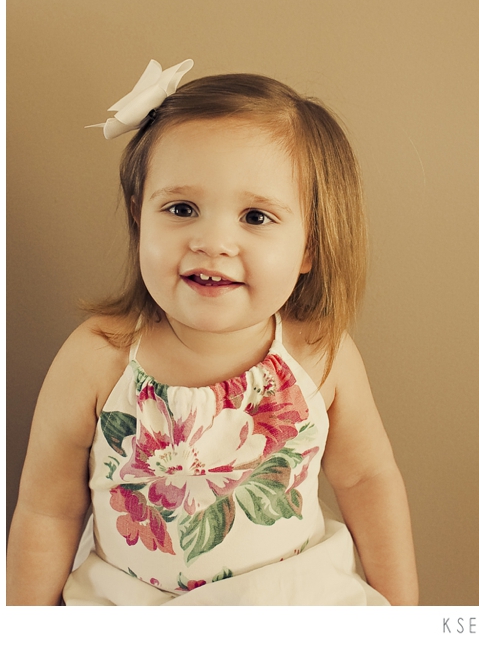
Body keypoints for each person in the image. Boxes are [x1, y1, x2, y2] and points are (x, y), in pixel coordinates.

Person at [7, 60, 418, 606]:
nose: (213, 241)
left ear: (310, 247)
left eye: (256, 217)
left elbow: (367, 481)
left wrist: (403, 617)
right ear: (139, 217)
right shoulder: (99, 356)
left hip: (289, 605)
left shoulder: (318, 353)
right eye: (182, 209)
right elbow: (48, 511)